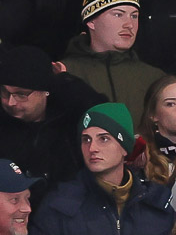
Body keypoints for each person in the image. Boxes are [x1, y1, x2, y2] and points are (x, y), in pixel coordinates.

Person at [37, 102, 172, 235]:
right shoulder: (59, 205)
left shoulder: (159, 204)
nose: (92, 148)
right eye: (86, 139)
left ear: (125, 147)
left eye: (104, 139)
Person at [0, 45, 104, 185]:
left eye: (21, 94)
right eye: (5, 92)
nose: (10, 102)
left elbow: (101, 112)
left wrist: (65, 81)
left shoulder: (68, 121)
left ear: (45, 92)